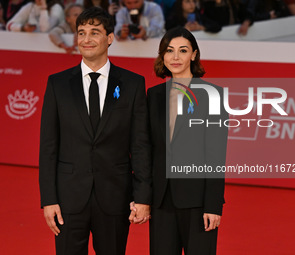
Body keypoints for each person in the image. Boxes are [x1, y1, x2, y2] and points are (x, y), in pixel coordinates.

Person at [39, 7, 152, 255]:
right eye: (81, 33)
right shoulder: (57, 84)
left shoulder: (133, 84)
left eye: (94, 32)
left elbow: (140, 145)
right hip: (68, 198)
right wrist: (48, 200)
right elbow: (48, 146)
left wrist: (143, 197)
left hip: (115, 197)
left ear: (109, 38)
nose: (86, 39)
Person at [145, 27, 228, 254]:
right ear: (162, 55)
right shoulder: (153, 96)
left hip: (198, 201)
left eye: (183, 50)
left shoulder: (213, 95)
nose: (175, 57)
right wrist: (142, 196)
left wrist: (213, 205)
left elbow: (216, 155)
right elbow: (148, 149)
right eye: (169, 51)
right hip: (161, 200)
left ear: (193, 54)